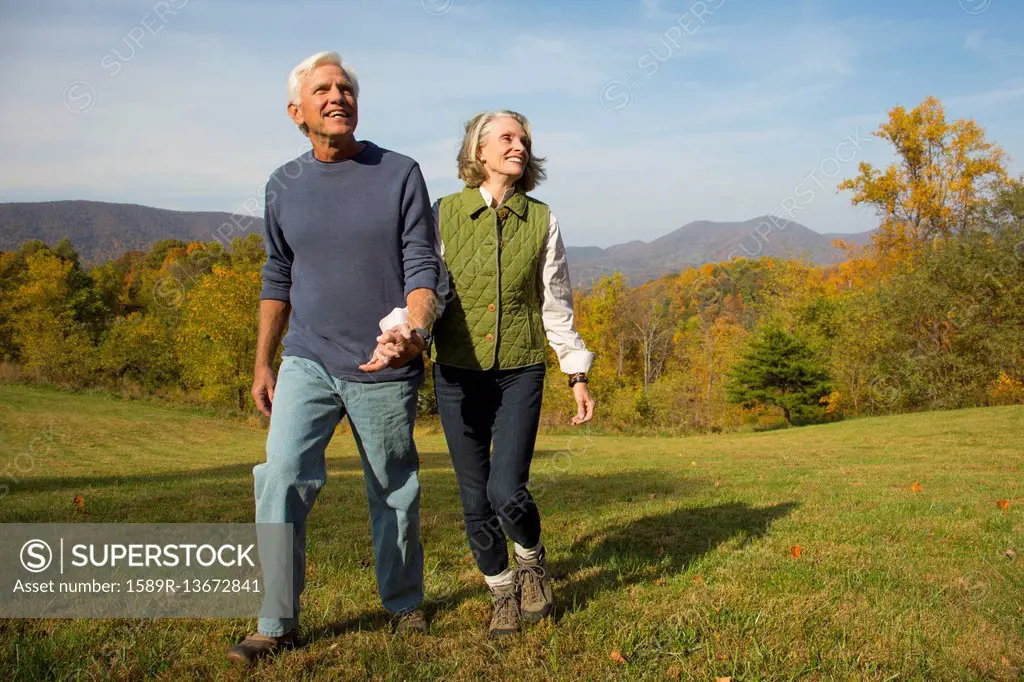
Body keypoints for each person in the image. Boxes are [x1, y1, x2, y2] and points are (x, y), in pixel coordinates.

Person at [227, 51, 440, 664]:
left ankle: (402, 606)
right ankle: (274, 623)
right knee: (282, 478)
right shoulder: (282, 184)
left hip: (383, 362)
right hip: (308, 358)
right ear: (297, 112)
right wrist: (263, 361)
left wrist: (413, 328)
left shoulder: (399, 172)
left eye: (345, 87)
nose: (337, 96)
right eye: (322, 89)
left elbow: (422, 264)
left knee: (393, 487)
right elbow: (277, 272)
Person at [376, 109, 595, 638]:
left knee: (507, 491)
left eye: (523, 138)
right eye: (506, 138)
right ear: (479, 152)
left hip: (521, 370)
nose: (518, 145)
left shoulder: (543, 219)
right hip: (456, 372)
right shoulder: (442, 213)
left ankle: (532, 561)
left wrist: (577, 372)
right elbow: (423, 285)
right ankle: (502, 592)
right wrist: (402, 330)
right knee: (474, 498)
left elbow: (555, 305)